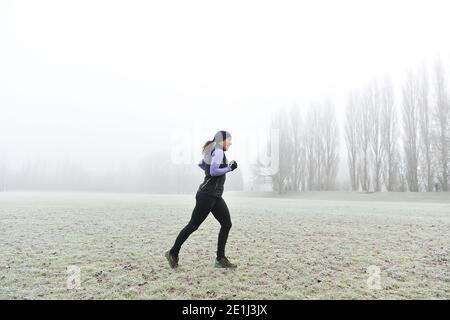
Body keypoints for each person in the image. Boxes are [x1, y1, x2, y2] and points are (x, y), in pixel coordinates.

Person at [165, 130, 238, 268]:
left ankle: (220, 259)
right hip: (207, 195)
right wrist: (228, 168)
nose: (230, 142)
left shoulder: (213, 151)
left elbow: (201, 164)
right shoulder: (218, 151)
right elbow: (213, 171)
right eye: (229, 139)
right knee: (193, 225)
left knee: (226, 224)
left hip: (215, 196)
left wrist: (212, 167)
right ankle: (173, 252)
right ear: (221, 140)